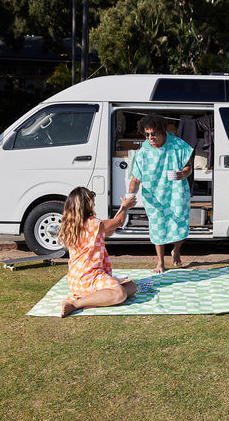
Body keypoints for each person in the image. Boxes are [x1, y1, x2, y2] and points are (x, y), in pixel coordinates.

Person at [57, 187, 138, 318]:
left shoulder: (71, 225)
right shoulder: (92, 223)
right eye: (92, 201)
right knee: (120, 294)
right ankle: (75, 304)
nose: (94, 203)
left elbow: (110, 230)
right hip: (89, 277)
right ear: (86, 204)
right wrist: (126, 207)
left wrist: (123, 207)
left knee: (131, 286)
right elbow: (119, 222)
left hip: (76, 279)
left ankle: (92, 297)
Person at [128, 114, 193, 273]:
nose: (150, 137)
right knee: (158, 228)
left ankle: (176, 250)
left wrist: (182, 174)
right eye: (147, 134)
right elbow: (136, 179)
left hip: (176, 193)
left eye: (153, 134)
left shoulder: (178, 145)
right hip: (154, 196)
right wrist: (130, 196)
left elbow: (189, 168)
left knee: (180, 225)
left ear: (162, 131)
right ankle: (160, 262)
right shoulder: (143, 152)